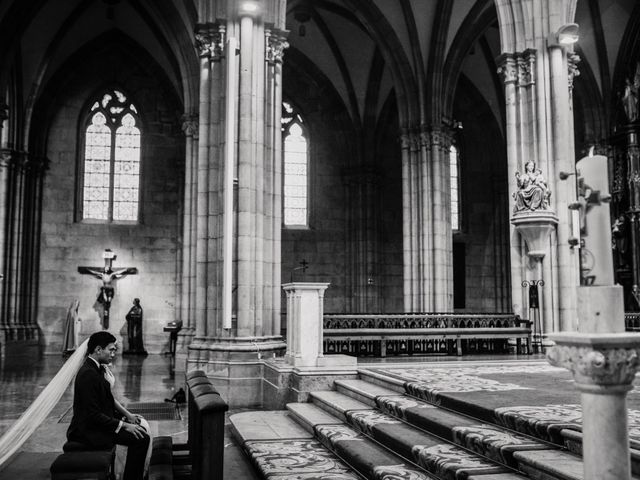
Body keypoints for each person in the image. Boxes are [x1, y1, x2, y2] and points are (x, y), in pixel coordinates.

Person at [66, 331, 149, 480]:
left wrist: (127, 417)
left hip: (98, 423)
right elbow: (92, 415)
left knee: (140, 428)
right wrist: (124, 425)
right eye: (111, 350)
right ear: (98, 350)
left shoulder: (96, 368)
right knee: (141, 439)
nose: (114, 354)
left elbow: (107, 399)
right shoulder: (88, 374)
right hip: (88, 431)